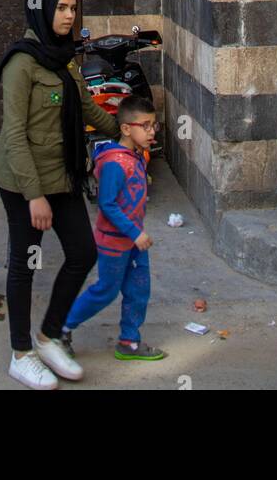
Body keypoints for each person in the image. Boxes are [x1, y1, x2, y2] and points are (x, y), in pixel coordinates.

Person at [0, 0, 118, 390]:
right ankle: (20, 354)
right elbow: (14, 135)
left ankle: (48, 336)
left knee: (83, 252)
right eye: (60, 8)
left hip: (62, 174)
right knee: (25, 265)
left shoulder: (64, 58)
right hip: (23, 182)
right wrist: (34, 197)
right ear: (41, 9)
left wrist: (126, 130)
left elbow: (88, 110)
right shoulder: (21, 63)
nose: (68, 15)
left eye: (72, 8)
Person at [63, 94, 166, 362]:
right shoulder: (114, 164)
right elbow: (107, 205)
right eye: (144, 125)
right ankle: (61, 327)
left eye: (152, 124)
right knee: (105, 291)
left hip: (135, 242)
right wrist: (134, 233)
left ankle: (129, 341)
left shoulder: (137, 157)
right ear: (125, 129)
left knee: (138, 289)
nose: (151, 130)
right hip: (114, 242)